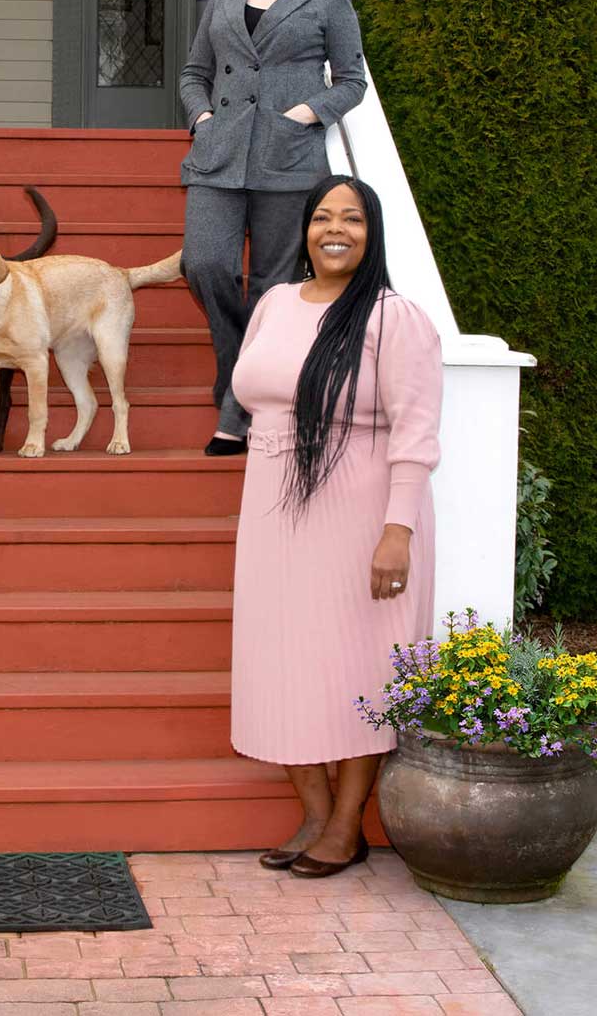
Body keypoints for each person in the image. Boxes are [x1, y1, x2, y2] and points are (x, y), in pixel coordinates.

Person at [226, 175, 441, 876]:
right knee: (281, 662)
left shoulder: (391, 317)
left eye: (351, 217)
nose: (334, 229)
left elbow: (415, 433)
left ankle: (346, 825)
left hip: (361, 517)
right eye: (322, 217)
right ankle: (315, 813)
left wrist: (397, 530)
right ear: (306, 231)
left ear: (372, 233)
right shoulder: (276, 304)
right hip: (272, 516)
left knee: (358, 664)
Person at [179, 0, 368, 457]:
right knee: (204, 263)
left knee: (273, 285)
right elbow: (194, 73)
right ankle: (240, 371)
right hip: (219, 154)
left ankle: (236, 415)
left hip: (288, 158)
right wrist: (203, 118)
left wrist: (308, 113)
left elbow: (353, 81)